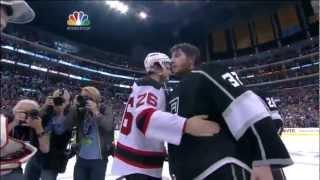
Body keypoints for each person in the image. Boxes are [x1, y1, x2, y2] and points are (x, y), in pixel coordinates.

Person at [167, 43, 293, 180]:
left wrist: (262, 160)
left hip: (220, 167)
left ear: (192, 59)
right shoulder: (175, 91)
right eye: (171, 57)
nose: (171, 60)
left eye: (177, 55)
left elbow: (245, 107)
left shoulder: (208, 71)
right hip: (187, 173)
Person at [112, 52, 220, 180]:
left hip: (136, 163)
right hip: (140, 166)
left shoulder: (145, 87)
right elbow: (144, 118)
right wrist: (186, 125)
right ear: (157, 67)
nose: (170, 68)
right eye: (167, 65)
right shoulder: (151, 87)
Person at [63, 86, 114, 180]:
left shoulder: (105, 109)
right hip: (81, 158)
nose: (84, 100)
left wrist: (96, 111)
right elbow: (67, 125)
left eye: (87, 97)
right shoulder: (80, 110)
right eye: (82, 97)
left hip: (99, 160)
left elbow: (108, 126)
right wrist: (74, 107)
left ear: (95, 98)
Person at [24, 89, 73, 180]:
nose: (58, 102)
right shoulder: (46, 111)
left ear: (69, 102)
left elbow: (60, 133)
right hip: (36, 157)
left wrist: (60, 113)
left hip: (52, 161)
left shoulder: (70, 116)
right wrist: (45, 106)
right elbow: (32, 121)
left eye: (62, 100)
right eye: (56, 99)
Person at [2, 99, 47, 180]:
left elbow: (45, 149)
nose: (27, 116)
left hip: (14, 168)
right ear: (15, 112)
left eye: (31, 113)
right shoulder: (5, 119)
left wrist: (39, 128)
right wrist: (14, 123)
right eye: (23, 112)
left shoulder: (36, 123)